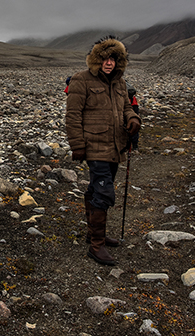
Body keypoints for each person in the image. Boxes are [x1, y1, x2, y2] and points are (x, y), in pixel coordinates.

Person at [65, 36, 141, 265]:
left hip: (116, 145)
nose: (110, 63)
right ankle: (96, 247)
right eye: (106, 59)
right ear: (97, 60)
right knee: (104, 192)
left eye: (114, 59)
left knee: (96, 190)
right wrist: (77, 145)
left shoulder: (119, 82)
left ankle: (93, 233)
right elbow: (73, 116)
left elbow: (126, 107)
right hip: (94, 146)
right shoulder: (82, 80)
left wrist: (133, 118)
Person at [127, 84, 140, 151]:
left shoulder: (124, 96)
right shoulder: (133, 98)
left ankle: (130, 145)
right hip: (133, 107)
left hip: (129, 109)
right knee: (134, 129)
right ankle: (134, 146)